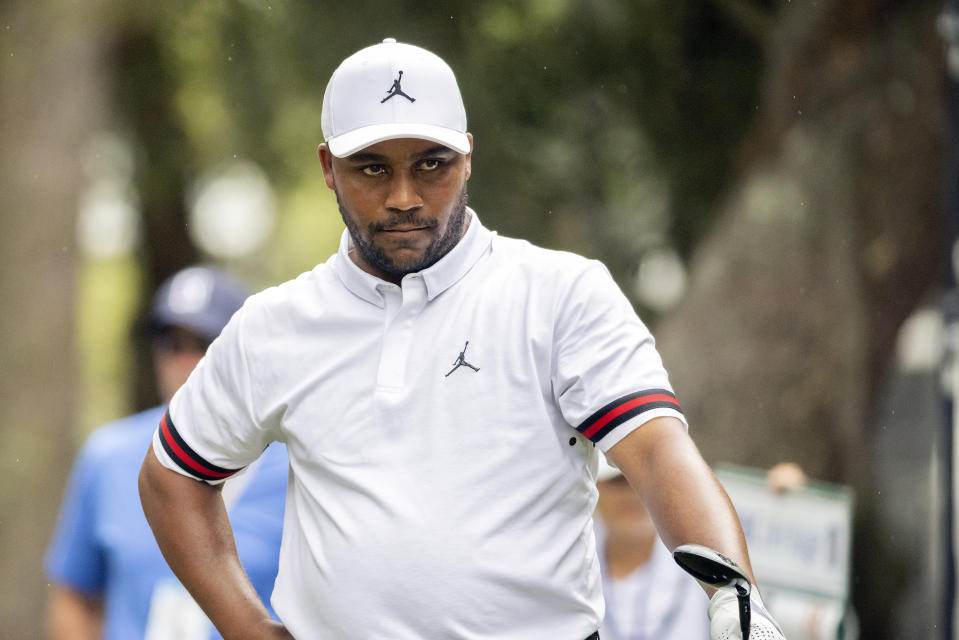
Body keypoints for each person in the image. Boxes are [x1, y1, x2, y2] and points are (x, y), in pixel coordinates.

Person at [137, 39, 785, 640]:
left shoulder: (560, 295)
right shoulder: (276, 324)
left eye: (431, 165)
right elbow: (172, 478)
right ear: (328, 168)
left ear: (467, 155)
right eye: (370, 168)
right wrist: (251, 630)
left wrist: (731, 591)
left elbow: (654, 451)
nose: (403, 197)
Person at [45, 266, 288, 640]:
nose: (185, 361)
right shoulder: (108, 455)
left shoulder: (295, 465)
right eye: (171, 344)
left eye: (205, 342)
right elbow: (76, 592)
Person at [594, 454, 710, 639]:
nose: (633, 494)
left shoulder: (705, 562)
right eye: (619, 482)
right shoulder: (567, 562)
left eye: (642, 483)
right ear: (595, 487)